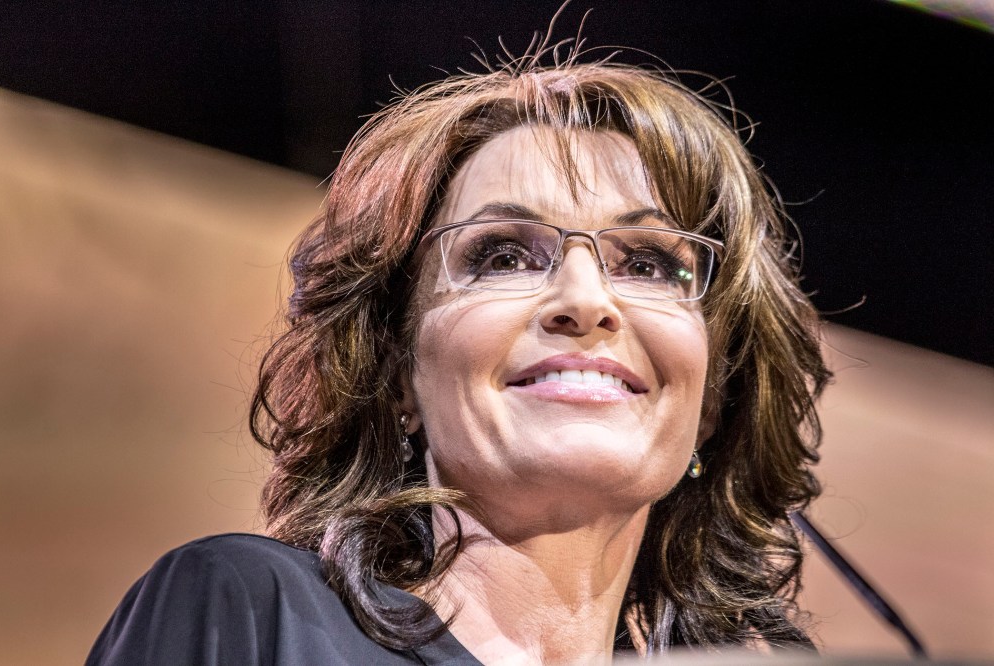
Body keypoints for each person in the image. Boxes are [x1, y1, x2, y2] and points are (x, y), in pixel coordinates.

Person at [88, 43, 830, 665]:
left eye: (645, 262)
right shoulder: (251, 614)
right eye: (503, 255)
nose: (586, 300)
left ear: (713, 400)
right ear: (395, 371)